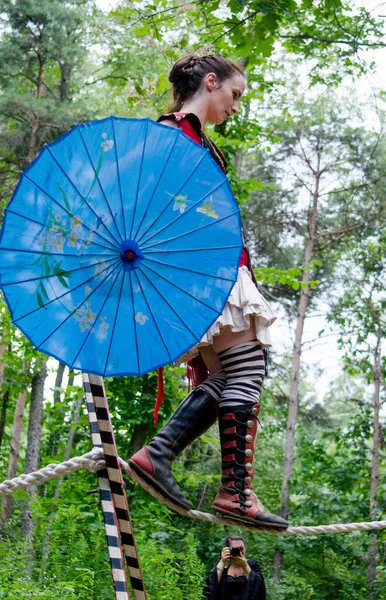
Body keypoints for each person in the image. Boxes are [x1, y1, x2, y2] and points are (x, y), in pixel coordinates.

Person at [128, 53, 288, 529]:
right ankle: (234, 491)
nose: (236, 106)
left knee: (233, 375)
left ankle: (159, 457)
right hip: (201, 271)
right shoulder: (172, 134)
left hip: (210, 271)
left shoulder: (197, 141)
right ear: (211, 82)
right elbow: (148, 203)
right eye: (234, 95)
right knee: (250, 365)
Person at [203, 534, 266, 600]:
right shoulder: (223, 565)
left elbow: (260, 588)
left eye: (241, 548)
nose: (239, 551)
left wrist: (244, 565)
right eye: (236, 549)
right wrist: (222, 561)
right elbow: (210, 586)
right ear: (228, 550)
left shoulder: (253, 565)